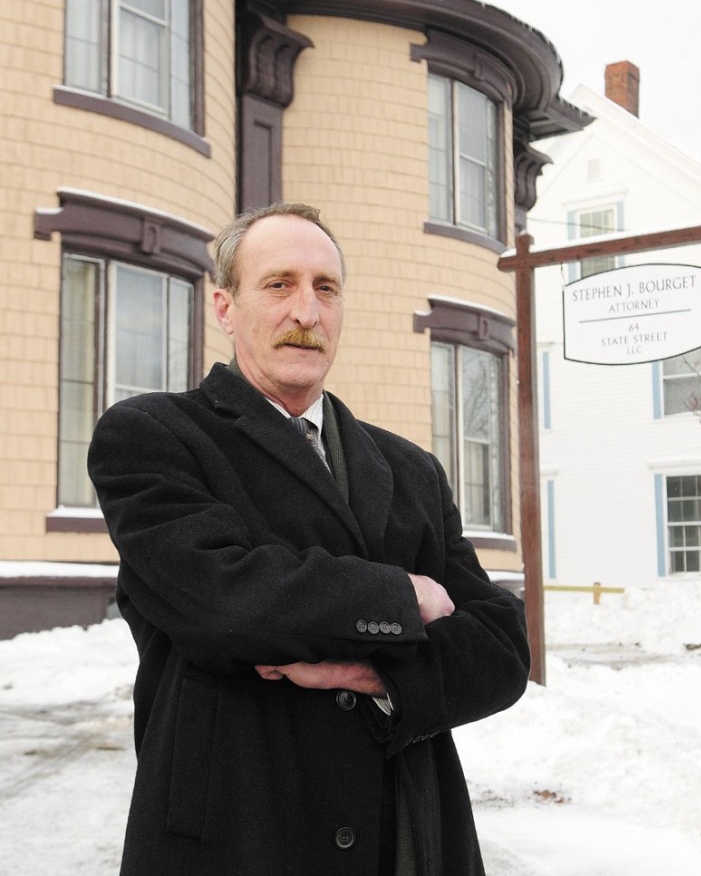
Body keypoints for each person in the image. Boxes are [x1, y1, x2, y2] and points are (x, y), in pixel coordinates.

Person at [88, 202, 530, 876]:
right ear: (224, 306)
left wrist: (373, 669)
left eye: (325, 287)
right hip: (241, 832)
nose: (305, 311)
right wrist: (404, 598)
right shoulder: (154, 436)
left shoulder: (409, 468)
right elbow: (224, 603)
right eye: (278, 285)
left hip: (404, 833)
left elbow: (500, 648)